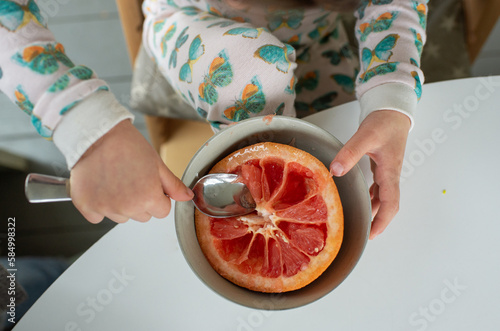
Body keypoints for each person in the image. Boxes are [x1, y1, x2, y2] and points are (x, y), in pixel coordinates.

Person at [0, 0, 427, 239]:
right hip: (193, 25)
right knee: (254, 72)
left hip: (317, 38)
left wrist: (390, 95)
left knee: (341, 168)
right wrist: (87, 128)